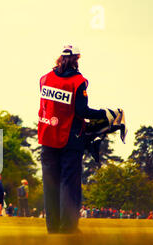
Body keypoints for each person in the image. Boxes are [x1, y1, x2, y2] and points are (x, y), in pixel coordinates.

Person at [38, 45, 122, 234]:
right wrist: (106, 113)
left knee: (50, 185)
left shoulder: (44, 79)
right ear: (76, 59)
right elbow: (81, 111)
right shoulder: (78, 81)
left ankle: (52, 229)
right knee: (69, 184)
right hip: (70, 139)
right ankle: (68, 228)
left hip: (47, 137)